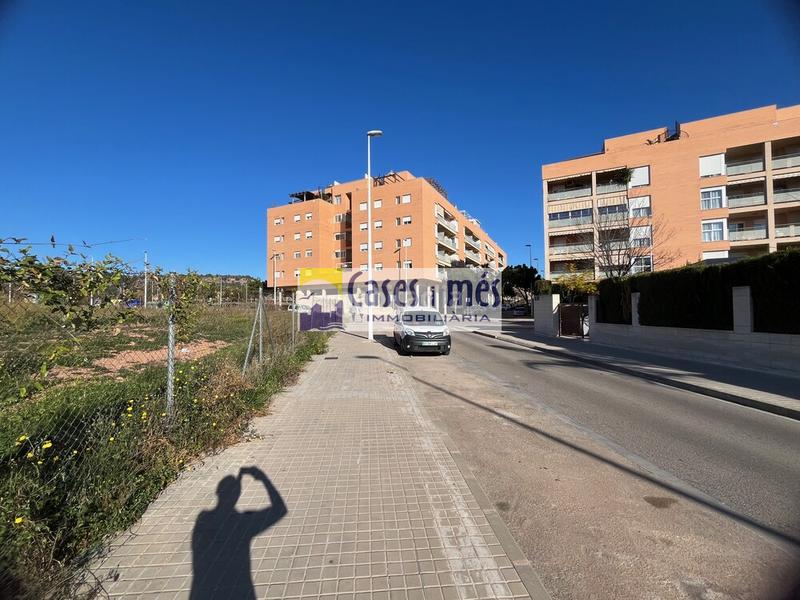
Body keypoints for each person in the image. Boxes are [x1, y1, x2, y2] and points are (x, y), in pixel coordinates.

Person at [189, 467, 286, 600]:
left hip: (201, 592)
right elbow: (280, 509)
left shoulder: (203, 518)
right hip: (240, 590)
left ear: (217, 493)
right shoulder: (242, 523)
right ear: (238, 495)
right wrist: (263, 478)